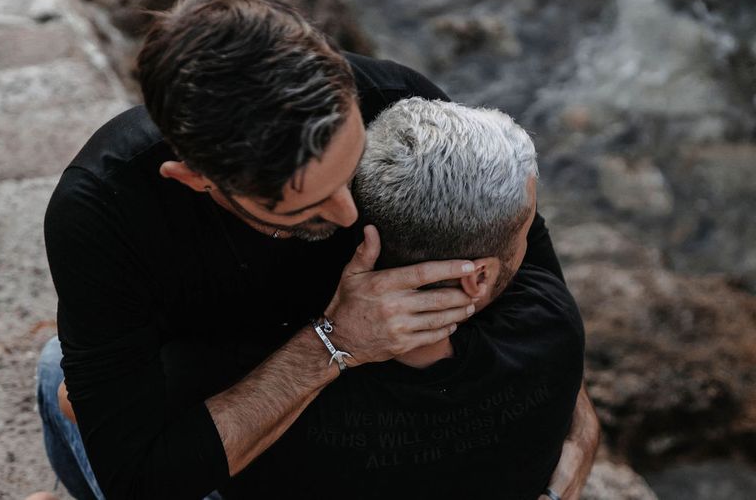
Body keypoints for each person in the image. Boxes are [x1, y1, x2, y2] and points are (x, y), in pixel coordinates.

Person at [38, 0, 599, 499]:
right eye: (303, 209)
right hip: (230, 392)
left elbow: (512, 245)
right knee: (55, 370)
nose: (347, 211)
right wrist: (333, 343)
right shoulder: (104, 214)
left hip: (357, 413)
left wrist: (574, 414)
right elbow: (139, 480)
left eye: (351, 168)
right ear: (197, 180)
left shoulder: (397, 100)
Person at [229, 97, 585, 499]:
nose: (531, 243)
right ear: (478, 276)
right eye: (525, 234)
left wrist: (333, 340)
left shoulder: (266, 387)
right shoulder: (551, 326)